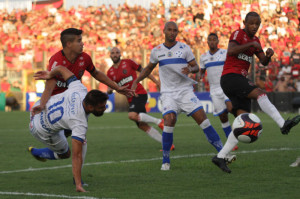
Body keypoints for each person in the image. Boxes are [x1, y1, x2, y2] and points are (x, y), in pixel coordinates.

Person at [30, 28, 134, 186]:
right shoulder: (56, 61)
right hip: (60, 105)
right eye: (79, 41)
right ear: (68, 44)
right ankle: (73, 176)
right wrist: (42, 104)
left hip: (75, 102)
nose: (83, 43)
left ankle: (72, 175)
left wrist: (117, 87)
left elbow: (96, 73)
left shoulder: (84, 58)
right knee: (75, 143)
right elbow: (49, 88)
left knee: (76, 141)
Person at [132, 21, 235, 171]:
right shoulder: (157, 51)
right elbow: (148, 68)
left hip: (185, 92)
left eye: (175, 30)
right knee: (169, 120)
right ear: (164, 31)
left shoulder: (184, 48)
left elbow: (195, 66)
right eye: (170, 30)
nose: (172, 32)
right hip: (168, 94)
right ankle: (166, 160)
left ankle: (222, 154)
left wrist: (191, 69)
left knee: (203, 121)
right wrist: (137, 81)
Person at [212, 12, 300, 173]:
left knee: (243, 122)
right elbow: (231, 51)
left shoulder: (256, 41)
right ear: (244, 22)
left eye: (257, 24)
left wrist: (268, 56)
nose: (254, 27)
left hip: (237, 79)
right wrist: (251, 44)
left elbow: (263, 62)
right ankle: (282, 124)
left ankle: (220, 156)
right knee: (259, 92)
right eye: (251, 23)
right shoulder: (239, 34)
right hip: (231, 77)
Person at [28, 66, 108, 192]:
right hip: (40, 129)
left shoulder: (80, 89)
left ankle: (56, 140)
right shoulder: (79, 122)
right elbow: (76, 156)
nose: (104, 109)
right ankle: (37, 152)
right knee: (66, 153)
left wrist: (50, 74)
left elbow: (60, 68)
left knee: (75, 133)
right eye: (101, 107)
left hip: (38, 107)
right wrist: (78, 185)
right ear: (90, 107)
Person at [107, 47, 174, 149]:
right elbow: (109, 88)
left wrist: (156, 82)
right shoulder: (110, 72)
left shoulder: (128, 62)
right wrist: (110, 90)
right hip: (130, 99)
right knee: (142, 125)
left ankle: (159, 121)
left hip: (139, 93)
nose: (115, 54)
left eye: (117, 52)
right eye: (113, 53)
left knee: (132, 115)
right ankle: (167, 145)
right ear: (110, 55)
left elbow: (144, 71)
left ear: (120, 54)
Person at [200, 33, 238, 151]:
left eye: (214, 39)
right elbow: (202, 71)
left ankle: (244, 126)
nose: (212, 42)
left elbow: (232, 65)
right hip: (214, 89)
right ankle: (231, 140)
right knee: (222, 116)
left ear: (218, 41)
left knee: (231, 108)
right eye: (209, 40)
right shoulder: (203, 57)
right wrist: (199, 77)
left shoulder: (224, 53)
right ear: (207, 42)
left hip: (226, 85)